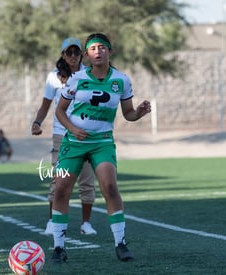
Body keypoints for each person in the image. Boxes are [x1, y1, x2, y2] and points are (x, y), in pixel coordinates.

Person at [50, 33, 151, 263]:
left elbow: (128, 113)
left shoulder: (121, 80)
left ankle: (120, 244)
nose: (98, 51)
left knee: (109, 186)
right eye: (93, 48)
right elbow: (59, 112)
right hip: (74, 142)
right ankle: (58, 247)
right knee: (62, 189)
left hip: (102, 142)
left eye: (102, 48)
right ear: (87, 55)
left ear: (109, 51)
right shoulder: (76, 78)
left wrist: (139, 113)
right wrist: (73, 130)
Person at [32, 37, 97, 235]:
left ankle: (86, 223)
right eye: (69, 52)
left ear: (82, 55)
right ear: (63, 55)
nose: (73, 56)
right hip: (62, 135)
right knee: (58, 180)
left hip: (85, 134)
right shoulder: (54, 77)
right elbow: (45, 104)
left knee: (86, 180)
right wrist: (37, 122)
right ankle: (53, 222)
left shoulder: (90, 75)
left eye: (76, 52)